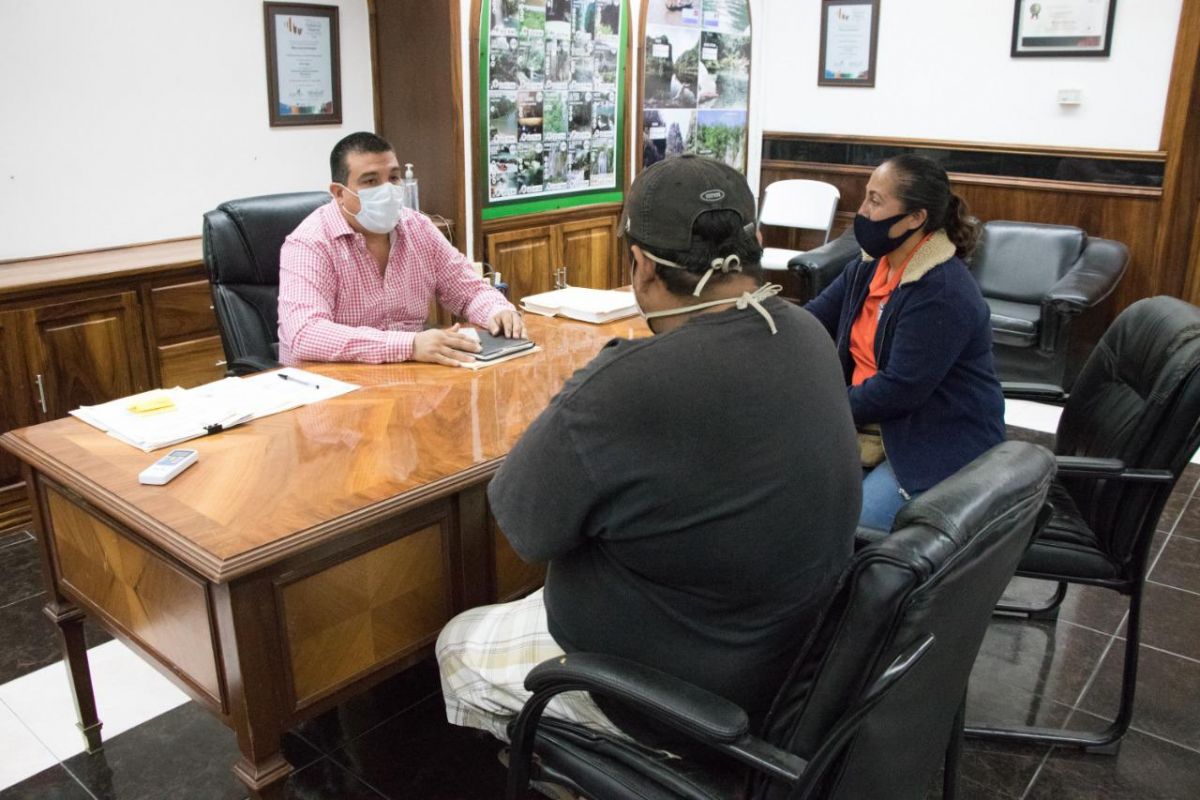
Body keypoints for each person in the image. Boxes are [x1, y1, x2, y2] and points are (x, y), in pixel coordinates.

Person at [436, 154, 860, 750]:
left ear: (639, 266)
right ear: (756, 242)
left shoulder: (624, 383)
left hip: (674, 697)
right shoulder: (809, 335)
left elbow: (526, 531)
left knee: (457, 641)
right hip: (791, 660)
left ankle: (589, 776)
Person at [805, 153, 1005, 532]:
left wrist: (817, 407)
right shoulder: (868, 266)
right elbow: (811, 320)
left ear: (916, 218)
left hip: (933, 443)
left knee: (850, 530)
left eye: (875, 201)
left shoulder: (941, 291)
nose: (861, 211)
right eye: (866, 196)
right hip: (870, 426)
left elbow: (899, 391)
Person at [277, 131, 523, 366]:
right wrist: (409, 345)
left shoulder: (417, 227)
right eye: (371, 181)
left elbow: (469, 289)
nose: (388, 190)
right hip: (332, 387)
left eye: (393, 178)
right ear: (339, 193)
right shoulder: (310, 243)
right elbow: (305, 333)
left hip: (406, 377)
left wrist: (497, 310)